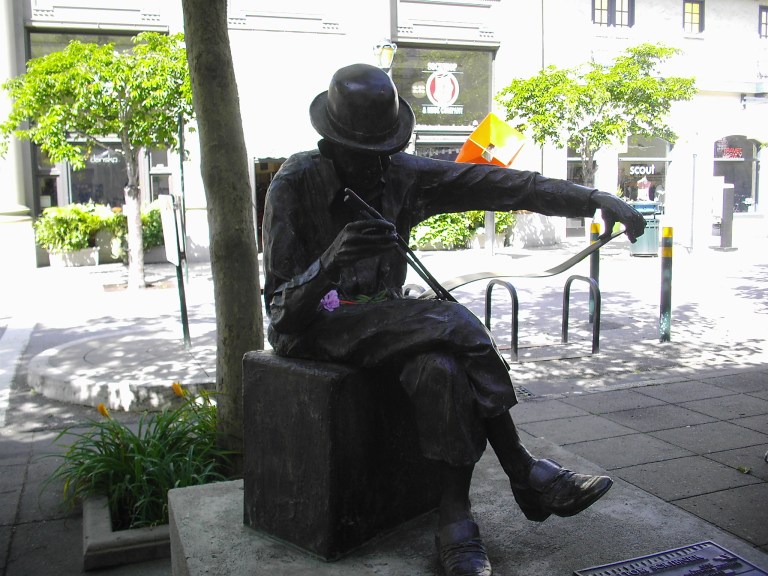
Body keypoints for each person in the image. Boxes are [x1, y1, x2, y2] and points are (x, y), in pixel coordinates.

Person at [262, 63, 646, 576]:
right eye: (365, 156)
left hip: (391, 325)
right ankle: (522, 468)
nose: (380, 167)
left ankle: (454, 514)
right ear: (334, 147)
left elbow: (507, 185)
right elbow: (282, 315)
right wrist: (332, 259)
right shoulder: (294, 183)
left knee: (440, 370)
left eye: (387, 153)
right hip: (316, 326)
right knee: (456, 322)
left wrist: (594, 198)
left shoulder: (402, 176)